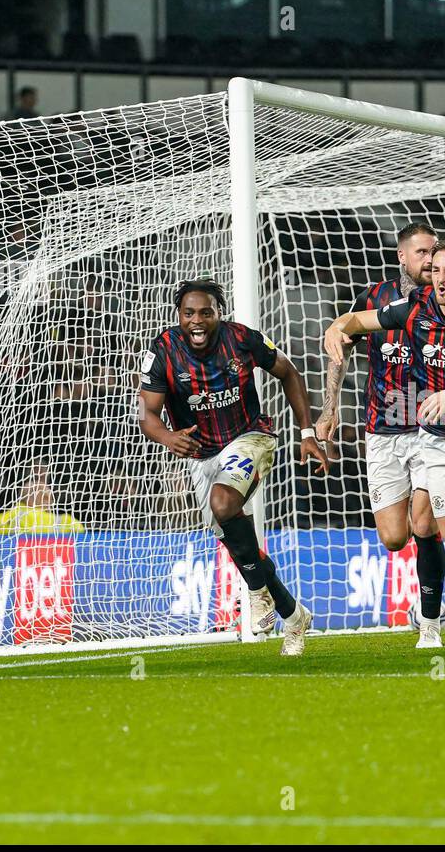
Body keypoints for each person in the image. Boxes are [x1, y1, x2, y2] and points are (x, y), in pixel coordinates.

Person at [324, 236, 445, 655]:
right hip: (436, 439)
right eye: (434, 270)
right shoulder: (413, 308)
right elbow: (355, 323)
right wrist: (336, 328)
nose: (439, 277)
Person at [139, 279, 329, 656]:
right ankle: (293, 616)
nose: (197, 321)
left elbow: (289, 373)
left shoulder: (242, 339)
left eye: (205, 313)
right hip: (201, 455)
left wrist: (306, 431)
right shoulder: (163, 350)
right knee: (237, 543)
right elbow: (147, 413)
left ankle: (257, 595)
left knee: (224, 504)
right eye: (189, 313)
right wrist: (166, 437)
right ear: (179, 315)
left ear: (218, 314)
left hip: (251, 438)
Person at [315, 223, 445, 648]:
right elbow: (342, 346)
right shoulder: (375, 300)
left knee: (424, 523)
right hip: (384, 431)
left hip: (433, 430)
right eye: (422, 252)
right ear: (402, 257)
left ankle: (430, 620)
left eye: (435, 252)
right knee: (394, 537)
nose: (430, 260)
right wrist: (330, 407)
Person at [0, 470, 85, 535]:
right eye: (45, 497)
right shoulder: (63, 520)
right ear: (29, 499)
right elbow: (81, 532)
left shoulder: (5, 518)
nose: (50, 502)